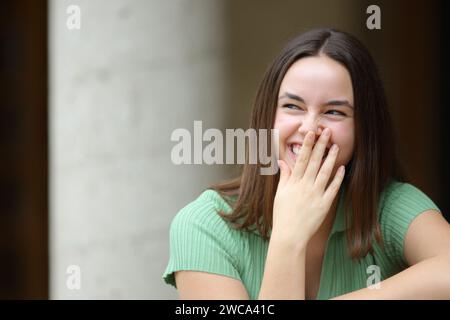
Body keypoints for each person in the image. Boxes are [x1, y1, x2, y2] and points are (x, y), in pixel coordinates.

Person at [162, 28, 450, 299]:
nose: (310, 128)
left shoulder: (388, 207)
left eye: (334, 111)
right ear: (267, 117)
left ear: (364, 128)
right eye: (292, 106)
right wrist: (289, 238)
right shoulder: (204, 226)